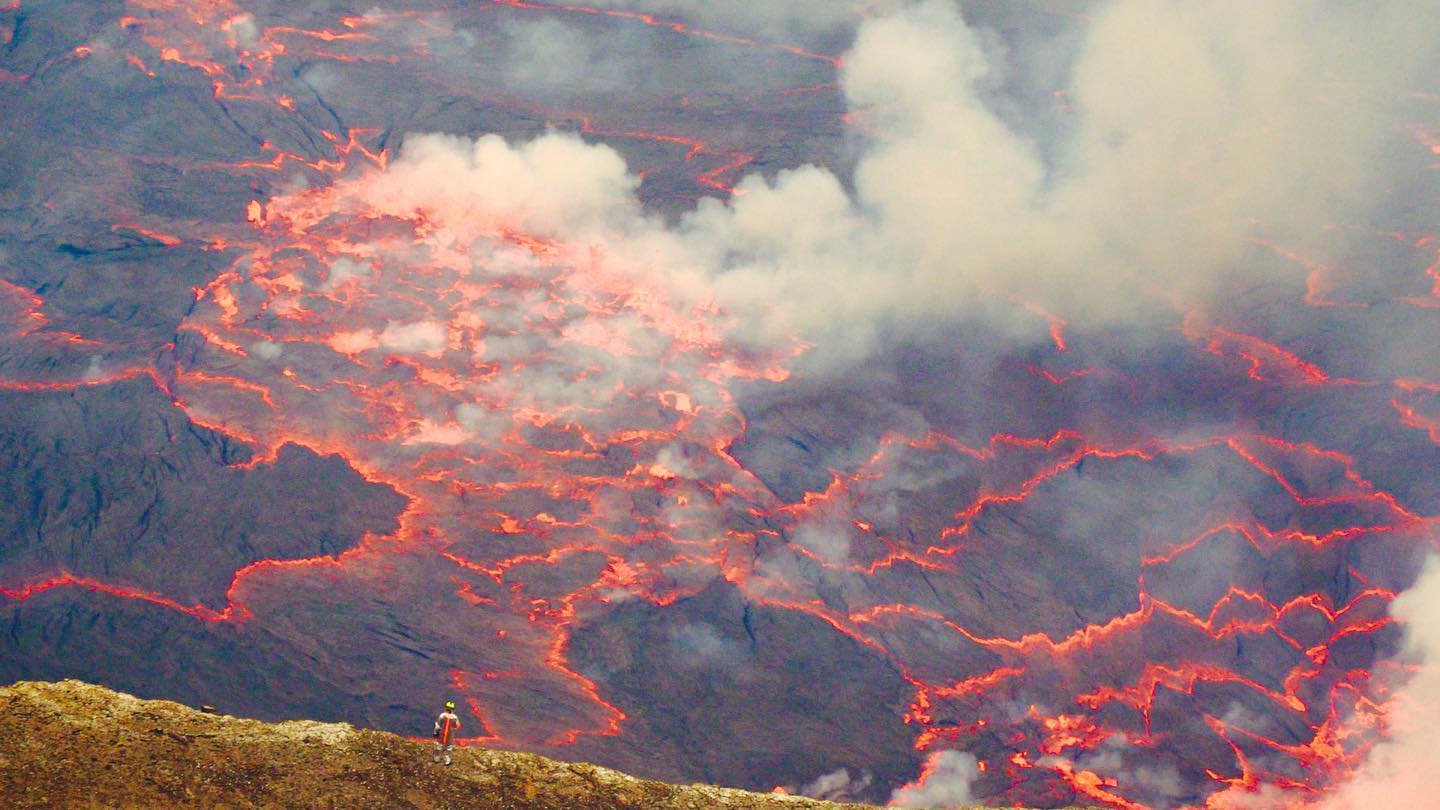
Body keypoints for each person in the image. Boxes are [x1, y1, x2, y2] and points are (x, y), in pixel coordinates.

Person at [433, 700, 461, 765]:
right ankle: (444, 759)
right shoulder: (454, 717)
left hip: (446, 734)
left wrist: (435, 732)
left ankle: (439, 759)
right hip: (446, 734)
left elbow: (437, 725)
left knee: (442, 746)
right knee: (445, 747)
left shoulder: (443, 715)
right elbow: (457, 726)